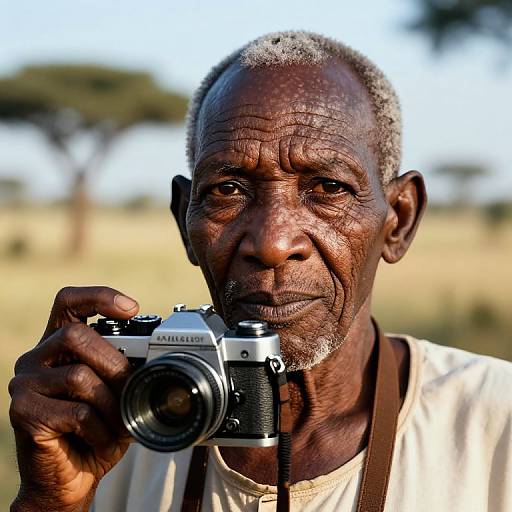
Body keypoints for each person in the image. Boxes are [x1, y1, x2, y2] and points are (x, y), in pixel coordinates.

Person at [8, 31, 512, 512]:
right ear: (186, 219)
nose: (272, 243)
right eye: (228, 190)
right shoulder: (115, 424)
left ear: (398, 221)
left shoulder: (494, 423)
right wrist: (51, 501)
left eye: (329, 188)